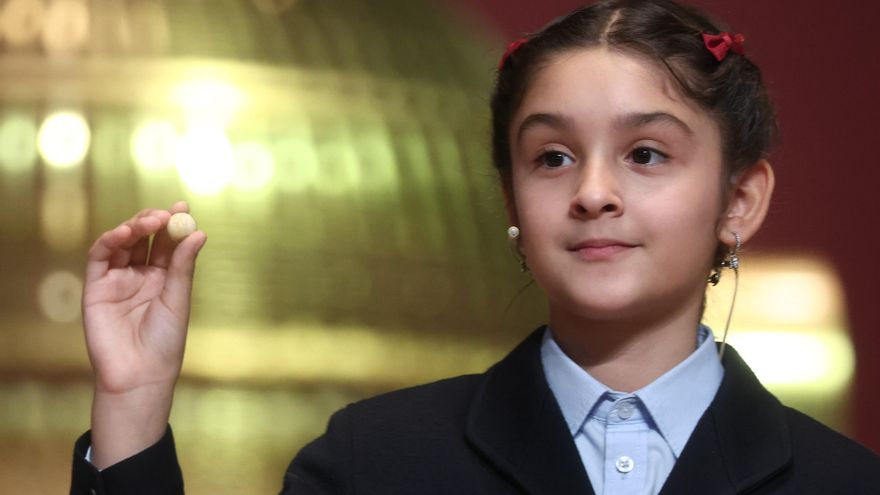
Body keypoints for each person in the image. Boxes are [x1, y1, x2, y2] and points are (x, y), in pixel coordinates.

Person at [70, 0, 880, 493]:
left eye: (646, 154)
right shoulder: (374, 463)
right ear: (512, 201)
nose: (592, 192)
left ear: (739, 200)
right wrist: (133, 408)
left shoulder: (845, 483)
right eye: (552, 157)